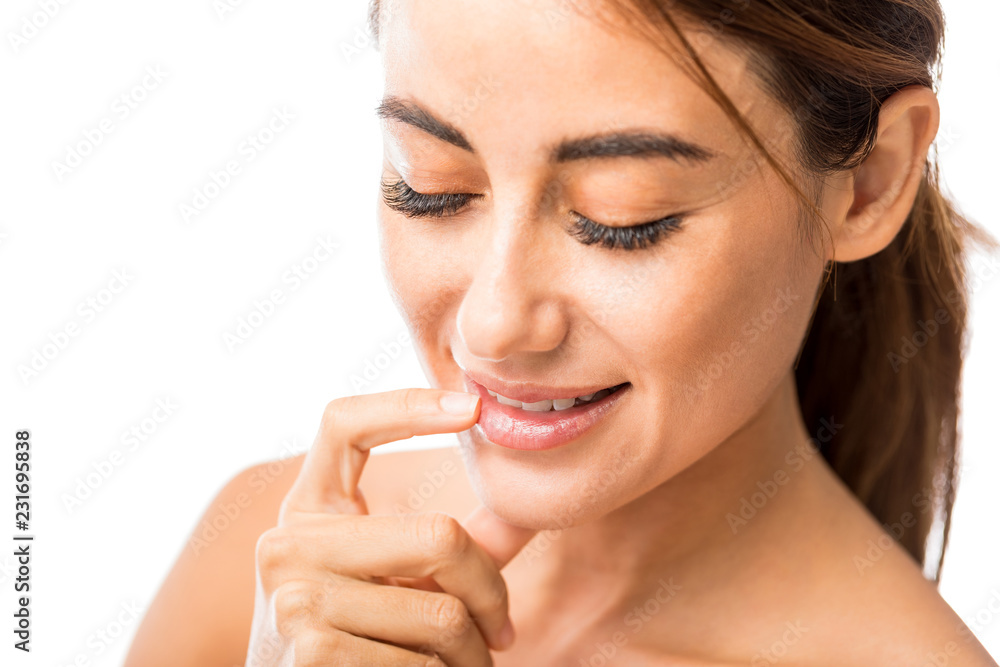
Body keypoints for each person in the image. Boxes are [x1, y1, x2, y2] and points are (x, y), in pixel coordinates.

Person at [125, 0, 1000, 664]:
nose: (493, 323)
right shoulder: (274, 570)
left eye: (623, 218)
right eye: (430, 187)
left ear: (870, 182)